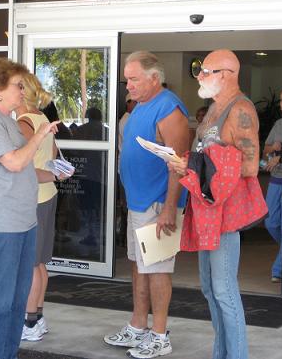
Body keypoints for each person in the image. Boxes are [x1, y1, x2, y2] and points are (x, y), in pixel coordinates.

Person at [169, 49, 266, 359]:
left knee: (224, 291)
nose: (199, 75)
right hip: (206, 211)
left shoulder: (241, 110)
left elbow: (249, 167)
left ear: (226, 74)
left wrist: (199, 169)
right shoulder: (212, 110)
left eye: (206, 71)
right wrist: (185, 165)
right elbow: (206, 157)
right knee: (211, 291)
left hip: (224, 214)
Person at [0, 58, 59, 359]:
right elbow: (16, 161)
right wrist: (40, 135)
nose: (23, 91)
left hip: (22, 221)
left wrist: (55, 173)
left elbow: (24, 170)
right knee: (0, 299)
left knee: (17, 300)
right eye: (18, 86)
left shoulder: (6, 119)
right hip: (2, 222)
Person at [104, 51, 189, 359]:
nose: (129, 85)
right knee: (139, 267)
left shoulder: (168, 108)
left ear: (154, 78)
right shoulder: (142, 106)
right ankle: (138, 326)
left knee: (157, 270)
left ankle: (160, 334)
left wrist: (168, 207)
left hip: (157, 204)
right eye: (128, 79)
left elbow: (179, 163)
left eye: (134, 78)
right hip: (139, 203)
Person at [16, 73, 72, 342]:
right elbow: (52, 159)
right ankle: (37, 317)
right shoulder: (44, 119)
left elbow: (24, 166)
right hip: (47, 196)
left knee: (30, 264)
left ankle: (29, 322)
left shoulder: (24, 123)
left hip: (33, 198)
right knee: (38, 264)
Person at [262, 87, 282, 283]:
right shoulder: (279, 123)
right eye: (281, 100)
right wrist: (274, 149)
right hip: (277, 178)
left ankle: (279, 268)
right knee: (271, 221)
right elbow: (266, 150)